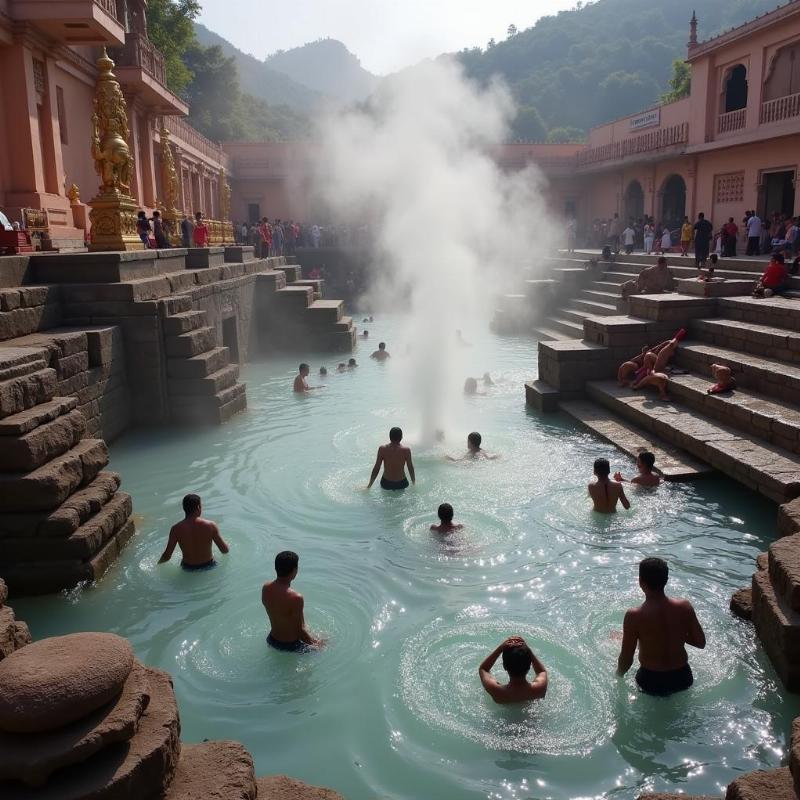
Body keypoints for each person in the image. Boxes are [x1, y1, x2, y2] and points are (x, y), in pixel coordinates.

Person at [617, 557, 706, 696]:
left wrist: (618, 676)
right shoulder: (685, 607)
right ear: (666, 580)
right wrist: (676, 633)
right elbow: (701, 643)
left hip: (650, 681)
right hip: (683, 678)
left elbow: (627, 659)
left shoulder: (634, 616)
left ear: (640, 581)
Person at [262, 551, 324, 652]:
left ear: (276, 568)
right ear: (295, 570)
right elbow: (299, 631)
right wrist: (316, 645)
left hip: (272, 640)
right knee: (326, 644)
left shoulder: (266, 588)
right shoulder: (296, 598)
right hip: (291, 646)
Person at [158, 494, 229, 570]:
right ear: (198, 507)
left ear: (184, 508)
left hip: (188, 568)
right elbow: (224, 550)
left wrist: (157, 565)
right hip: (209, 566)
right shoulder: (210, 525)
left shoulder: (176, 529)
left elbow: (167, 556)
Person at [478, 636, 548, 704]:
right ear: (530, 666)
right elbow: (541, 671)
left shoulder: (497, 692)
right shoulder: (539, 689)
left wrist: (500, 648)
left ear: (504, 666)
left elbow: (484, 669)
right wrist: (528, 650)